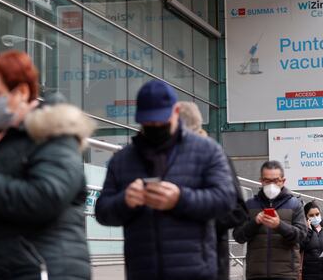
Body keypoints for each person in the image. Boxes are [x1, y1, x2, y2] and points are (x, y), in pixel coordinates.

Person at [95, 80, 236, 280]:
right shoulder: (122, 159)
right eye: (148, 122)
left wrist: (180, 198)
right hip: (143, 271)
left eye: (161, 121)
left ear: (176, 111)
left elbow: (227, 200)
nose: (155, 126)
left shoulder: (206, 150)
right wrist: (125, 200)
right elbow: (102, 211)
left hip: (195, 272)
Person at [0, 50, 93, 279]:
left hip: (44, 269)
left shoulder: (54, 134)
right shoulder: (4, 141)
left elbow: (45, 197)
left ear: (22, 92)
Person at [178, 101, 248, 280]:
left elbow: (238, 212)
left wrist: (196, 216)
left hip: (210, 259)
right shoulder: (166, 160)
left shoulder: (216, 157)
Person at [233, 160, 307, 280]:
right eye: (267, 181)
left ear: (283, 181)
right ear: (261, 181)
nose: (271, 185)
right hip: (256, 274)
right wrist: (255, 222)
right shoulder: (250, 205)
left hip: (286, 274)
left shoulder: (295, 205)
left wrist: (279, 225)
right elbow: (238, 236)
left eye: (276, 180)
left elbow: (302, 236)